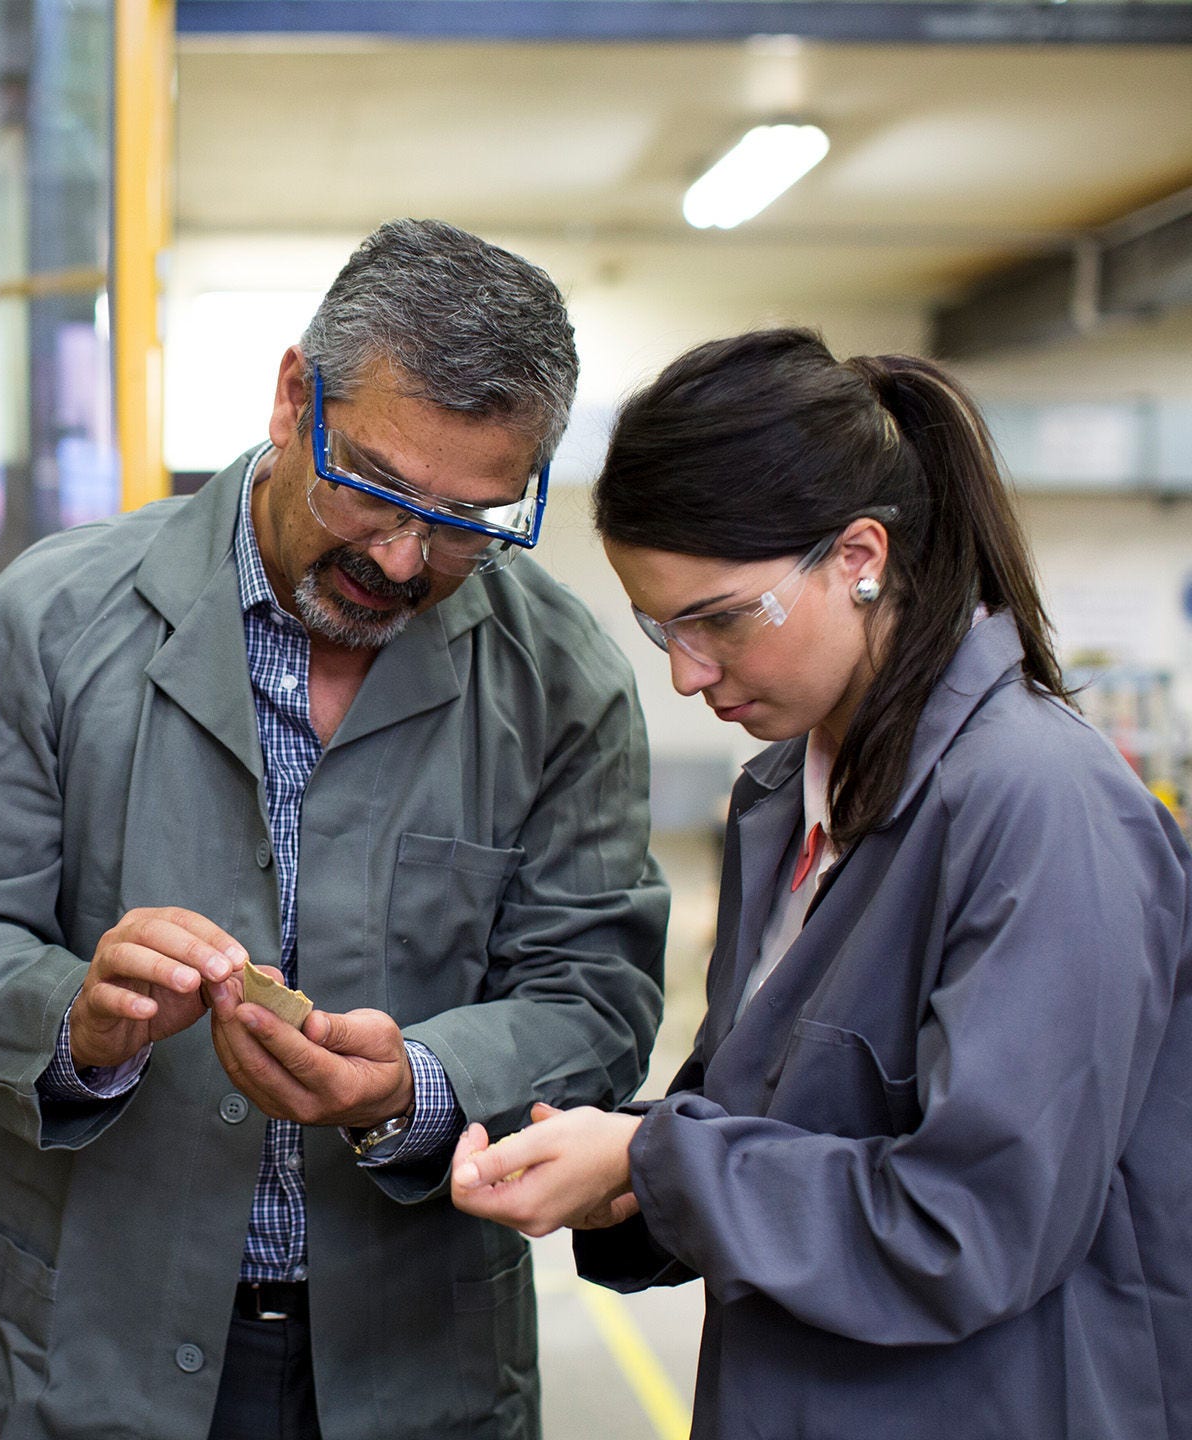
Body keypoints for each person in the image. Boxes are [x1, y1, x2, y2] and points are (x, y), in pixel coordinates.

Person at [0, 218, 668, 1440]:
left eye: (469, 521)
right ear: (297, 398)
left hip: (413, 1374)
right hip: (64, 1362)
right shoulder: (55, 620)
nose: (406, 560)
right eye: (379, 491)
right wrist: (74, 1023)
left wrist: (421, 1082)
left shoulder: (562, 683)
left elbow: (597, 1001)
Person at [451, 328, 1192, 1438]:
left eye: (719, 619)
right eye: (660, 626)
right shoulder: (787, 801)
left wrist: (659, 1161)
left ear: (860, 557)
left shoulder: (1041, 809)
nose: (686, 674)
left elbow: (970, 1228)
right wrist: (614, 1169)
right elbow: (759, 1125)